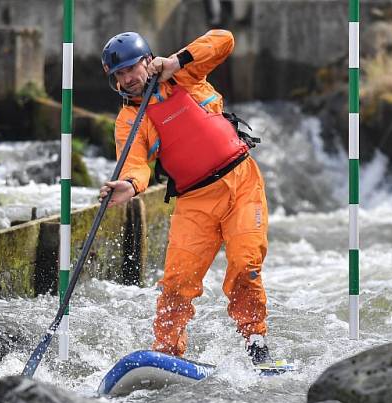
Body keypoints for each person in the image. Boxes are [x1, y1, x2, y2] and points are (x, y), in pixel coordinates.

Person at [98, 29, 273, 365]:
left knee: (244, 263)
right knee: (177, 282)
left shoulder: (184, 74)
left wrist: (177, 61)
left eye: (132, 68)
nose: (128, 78)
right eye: (119, 74)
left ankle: (256, 341)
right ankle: (167, 352)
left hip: (242, 184)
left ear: (148, 61)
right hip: (194, 202)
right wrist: (129, 186)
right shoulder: (129, 120)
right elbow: (135, 165)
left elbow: (224, 40)